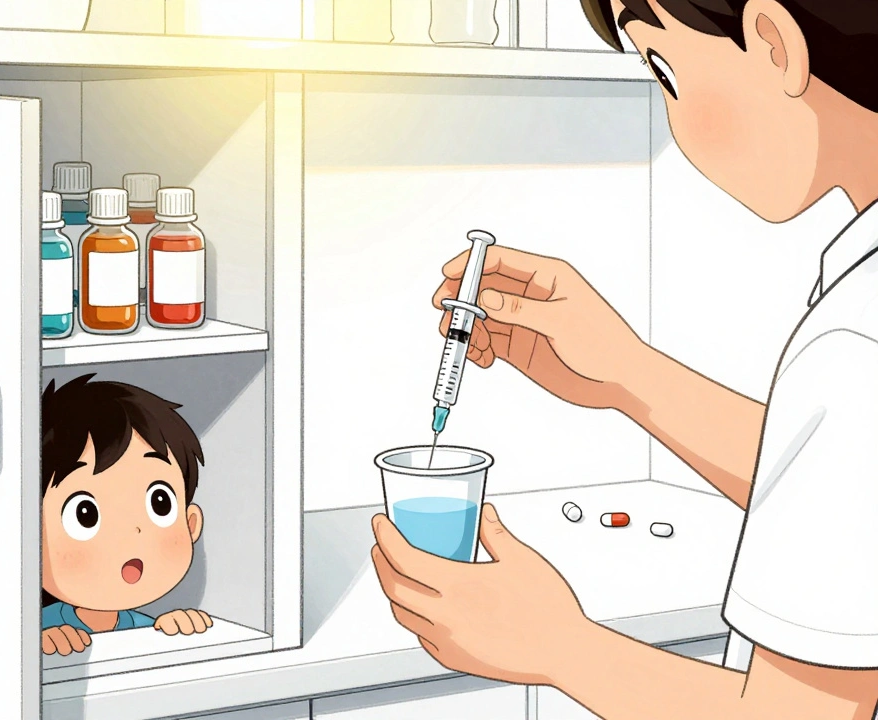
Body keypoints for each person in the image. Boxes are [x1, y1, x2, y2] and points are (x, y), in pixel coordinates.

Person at [371, 0, 878, 716]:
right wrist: (628, 373)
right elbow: (845, 487)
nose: (672, 117)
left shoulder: (856, 341)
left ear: (772, 41)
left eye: (664, 70)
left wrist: (560, 647)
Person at [40, 374, 212, 656]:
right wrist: (42, 641)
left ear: (190, 524)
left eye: (160, 503)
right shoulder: (35, 630)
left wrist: (175, 631)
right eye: (85, 514)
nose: (129, 533)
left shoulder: (143, 627)